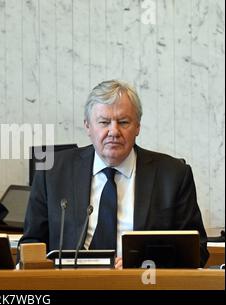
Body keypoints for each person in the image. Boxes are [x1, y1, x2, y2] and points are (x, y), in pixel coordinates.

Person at [20, 79, 209, 268]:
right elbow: (31, 243)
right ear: (87, 126)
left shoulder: (173, 175)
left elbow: (197, 250)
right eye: (104, 122)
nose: (114, 131)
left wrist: (141, 262)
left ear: (138, 127)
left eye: (124, 122)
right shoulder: (52, 172)